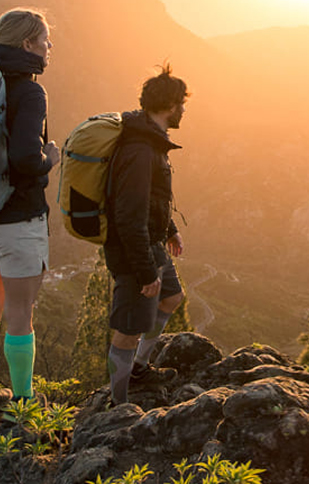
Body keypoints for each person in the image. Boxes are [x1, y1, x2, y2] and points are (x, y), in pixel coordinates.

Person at [0, 8, 60, 423]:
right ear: (27, 45)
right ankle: (23, 403)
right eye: (45, 40)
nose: (49, 47)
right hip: (17, 219)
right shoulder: (28, 90)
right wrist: (48, 160)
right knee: (20, 313)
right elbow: (24, 157)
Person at [103, 64, 190, 406]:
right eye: (182, 104)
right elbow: (128, 214)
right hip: (133, 250)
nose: (183, 110)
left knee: (172, 298)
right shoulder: (140, 150)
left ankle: (138, 368)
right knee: (128, 330)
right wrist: (143, 271)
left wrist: (169, 229)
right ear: (170, 106)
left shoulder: (150, 142)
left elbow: (151, 199)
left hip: (151, 243)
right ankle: (117, 406)